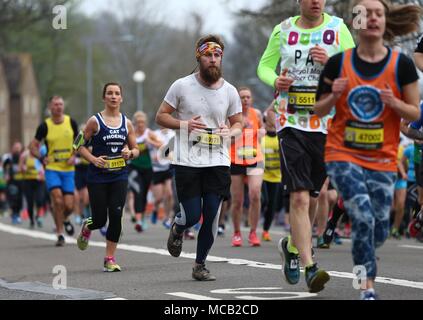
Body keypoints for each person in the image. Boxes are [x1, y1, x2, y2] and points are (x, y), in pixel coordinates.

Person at [314, 0, 421, 299]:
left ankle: (362, 266)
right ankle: (365, 285)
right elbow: (318, 108)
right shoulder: (338, 64)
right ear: (356, 22)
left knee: (379, 229)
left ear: (385, 22)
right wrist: (332, 96)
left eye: (378, 14)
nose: (372, 18)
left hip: (382, 157)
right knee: (361, 212)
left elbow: (413, 112)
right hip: (342, 153)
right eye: (365, 14)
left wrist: (395, 103)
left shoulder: (401, 65)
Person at [257, 0, 355, 293]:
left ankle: (290, 245)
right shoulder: (283, 30)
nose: (316, 1)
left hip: (326, 124)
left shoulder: (338, 29)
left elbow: (355, 70)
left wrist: (331, 62)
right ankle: (310, 267)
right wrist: (276, 79)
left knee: (314, 197)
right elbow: (263, 66)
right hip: (291, 122)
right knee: (299, 198)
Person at [156, 34, 242, 281]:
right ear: (199, 56)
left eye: (217, 55)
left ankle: (200, 264)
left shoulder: (230, 91)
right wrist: (183, 124)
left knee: (212, 214)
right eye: (208, 55)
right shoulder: (181, 86)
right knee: (192, 215)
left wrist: (232, 131)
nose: (213, 60)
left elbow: (239, 121)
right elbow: (161, 116)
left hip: (218, 160)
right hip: (187, 161)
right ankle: (179, 227)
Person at [75, 82, 139, 272]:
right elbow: (78, 145)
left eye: (116, 93)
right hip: (97, 177)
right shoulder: (94, 121)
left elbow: (136, 149)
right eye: (109, 93)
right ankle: (88, 225)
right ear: (104, 98)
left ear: (121, 98)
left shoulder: (127, 123)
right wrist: (94, 160)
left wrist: (130, 153)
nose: (113, 96)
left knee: (117, 216)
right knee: (100, 220)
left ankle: (109, 258)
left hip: (119, 176)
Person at [30, 96, 78, 246]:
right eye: (55, 104)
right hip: (52, 169)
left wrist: (74, 155)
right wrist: (41, 157)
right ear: (50, 107)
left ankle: (65, 219)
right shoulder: (45, 126)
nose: (58, 107)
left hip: (68, 169)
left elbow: (80, 140)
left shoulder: (71, 122)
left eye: (61, 104)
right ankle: (59, 233)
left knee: (69, 205)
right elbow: (32, 146)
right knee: (57, 200)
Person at [230, 87, 264, 247]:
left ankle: (253, 232)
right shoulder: (230, 115)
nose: (245, 99)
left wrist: (262, 133)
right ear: (238, 99)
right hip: (235, 159)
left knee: (255, 194)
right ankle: (237, 233)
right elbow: (226, 139)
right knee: (237, 200)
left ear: (251, 99)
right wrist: (238, 130)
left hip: (254, 157)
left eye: (248, 97)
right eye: (242, 97)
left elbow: (262, 130)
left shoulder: (256, 114)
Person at [261, 107, 282, 241]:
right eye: (270, 116)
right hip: (262, 175)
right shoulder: (261, 136)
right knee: (265, 200)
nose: (273, 118)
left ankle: (265, 231)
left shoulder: (281, 136)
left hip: (276, 176)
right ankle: (257, 211)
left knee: (273, 205)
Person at [19, 147, 46, 228]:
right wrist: (23, 169)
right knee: (30, 203)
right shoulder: (25, 156)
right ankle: (31, 220)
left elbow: (45, 165)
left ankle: (38, 216)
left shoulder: (41, 155)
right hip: (28, 181)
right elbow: (20, 167)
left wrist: (43, 173)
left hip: (39, 181)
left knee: (40, 200)